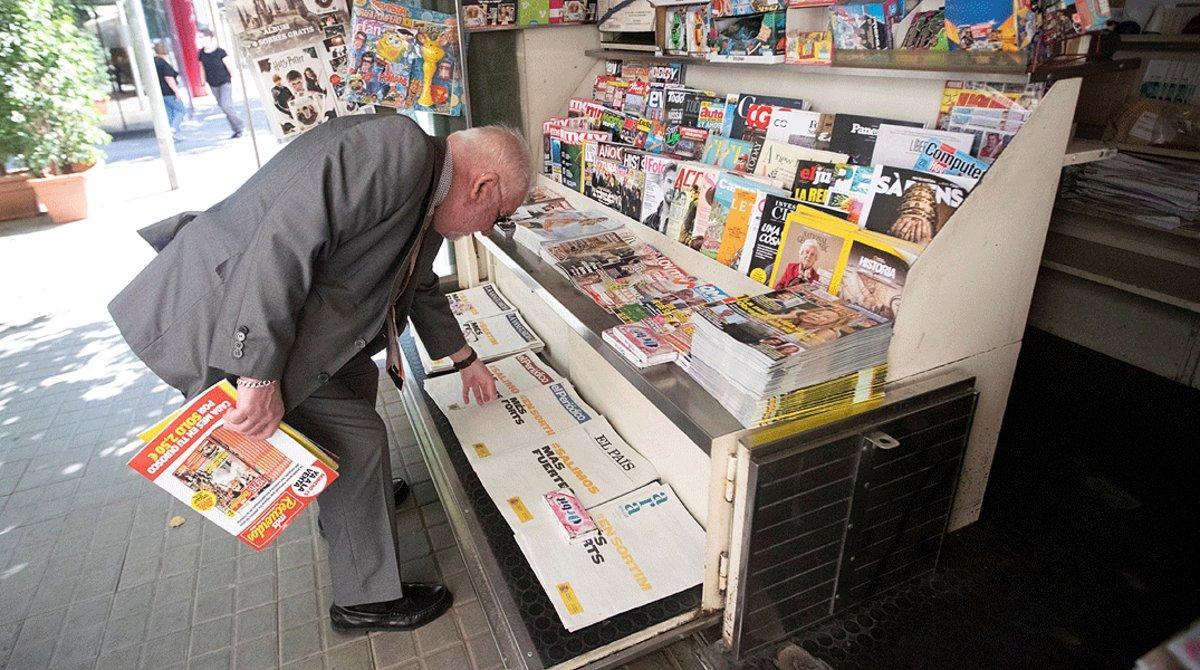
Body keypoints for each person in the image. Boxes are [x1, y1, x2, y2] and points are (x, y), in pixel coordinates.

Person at [108, 118, 533, 632]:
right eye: (501, 214)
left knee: (356, 394)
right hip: (231, 315)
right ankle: (365, 601)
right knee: (360, 441)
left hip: (308, 328)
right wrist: (258, 375)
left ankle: (353, 510)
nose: (489, 228)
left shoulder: (429, 185)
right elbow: (281, 246)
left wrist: (464, 358)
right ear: (483, 186)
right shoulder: (398, 153)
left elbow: (417, 285)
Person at [196, 29, 245, 139]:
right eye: (200, 38)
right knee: (223, 107)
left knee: (226, 104)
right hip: (213, 84)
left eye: (204, 38)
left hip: (225, 82)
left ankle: (239, 124)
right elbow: (202, 68)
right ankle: (237, 130)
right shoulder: (201, 53)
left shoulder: (220, 52)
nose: (202, 40)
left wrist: (236, 82)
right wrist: (203, 83)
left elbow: (229, 67)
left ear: (211, 38)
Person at [153, 43, 187, 140]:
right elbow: (169, 78)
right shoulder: (164, 63)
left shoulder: (153, 63)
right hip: (168, 92)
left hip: (160, 93)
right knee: (181, 110)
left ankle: (174, 135)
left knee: (170, 113)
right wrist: (176, 91)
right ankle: (173, 129)